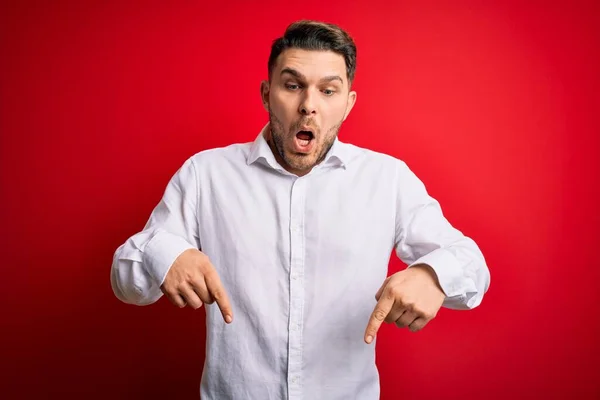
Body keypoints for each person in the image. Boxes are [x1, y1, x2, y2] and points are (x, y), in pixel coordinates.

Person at [110, 19, 490, 400]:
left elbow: (473, 266)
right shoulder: (205, 174)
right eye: (293, 86)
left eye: (328, 91)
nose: (309, 105)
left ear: (348, 104)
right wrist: (167, 254)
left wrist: (434, 275)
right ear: (266, 94)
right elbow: (125, 282)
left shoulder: (387, 179)